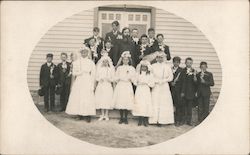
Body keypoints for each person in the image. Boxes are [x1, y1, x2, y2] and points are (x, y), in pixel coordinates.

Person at [65, 46, 96, 123]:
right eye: (82, 52)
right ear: (80, 53)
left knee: (87, 97)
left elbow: (93, 74)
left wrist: (93, 83)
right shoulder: (76, 62)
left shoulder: (91, 62)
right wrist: (80, 72)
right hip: (79, 80)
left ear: (87, 53)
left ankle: (87, 115)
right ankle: (79, 114)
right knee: (79, 96)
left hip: (87, 80)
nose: (84, 53)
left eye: (85, 52)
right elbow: (74, 73)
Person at [149, 52, 174, 126]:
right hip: (156, 85)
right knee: (155, 101)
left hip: (164, 86)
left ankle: (163, 120)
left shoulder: (167, 66)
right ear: (156, 58)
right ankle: (154, 120)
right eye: (158, 57)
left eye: (161, 57)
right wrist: (156, 81)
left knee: (164, 102)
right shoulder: (153, 66)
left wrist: (164, 81)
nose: (160, 59)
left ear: (164, 58)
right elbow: (150, 76)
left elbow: (171, 77)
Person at [113, 51, 136, 124]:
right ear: (122, 60)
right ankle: (121, 117)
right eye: (124, 60)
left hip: (127, 85)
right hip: (121, 85)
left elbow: (134, 78)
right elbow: (115, 77)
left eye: (127, 60)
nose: (125, 61)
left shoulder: (131, 68)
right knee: (121, 100)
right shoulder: (119, 68)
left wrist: (130, 79)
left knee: (126, 101)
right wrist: (119, 78)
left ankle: (125, 117)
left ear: (129, 60)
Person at [132, 60, 154, 127]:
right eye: (142, 67)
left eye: (145, 67)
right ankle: (140, 119)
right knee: (139, 103)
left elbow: (152, 84)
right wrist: (138, 83)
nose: (143, 68)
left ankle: (145, 120)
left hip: (146, 90)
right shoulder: (138, 74)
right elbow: (134, 81)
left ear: (147, 68)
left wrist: (147, 83)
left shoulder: (150, 74)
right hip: (139, 89)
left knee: (145, 103)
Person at [95, 55, 115, 121]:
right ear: (102, 62)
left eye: (106, 62)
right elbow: (96, 77)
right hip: (101, 85)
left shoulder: (110, 69)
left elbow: (113, 78)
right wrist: (100, 79)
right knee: (101, 99)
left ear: (108, 62)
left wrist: (109, 79)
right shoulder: (99, 69)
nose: (105, 63)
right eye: (104, 62)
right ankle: (102, 114)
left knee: (107, 99)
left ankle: (106, 114)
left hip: (108, 85)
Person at [181, 57, 198, 126]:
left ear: (192, 63)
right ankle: (183, 120)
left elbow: (196, 83)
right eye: (187, 63)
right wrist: (182, 92)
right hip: (184, 91)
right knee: (183, 107)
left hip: (191, 92)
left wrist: (194, 77)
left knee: (189, 107)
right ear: (185, 63)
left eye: (190, 63)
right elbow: (182, 82)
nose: (189, 64)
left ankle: (189, 121)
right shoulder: (182, 71)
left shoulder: (194, 71)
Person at [170, 56, 184, 126]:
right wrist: (171, 83)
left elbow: (184, 82)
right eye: (175, 62)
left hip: (178, 91)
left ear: (179, 63)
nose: (176, 63)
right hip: (171, 90)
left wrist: (182, 92)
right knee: (171, 105)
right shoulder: (170, 69)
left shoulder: (182, 70)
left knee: (178, 106)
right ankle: (172, 120)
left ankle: (178, 120)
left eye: (177, 62)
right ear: (173, 62)